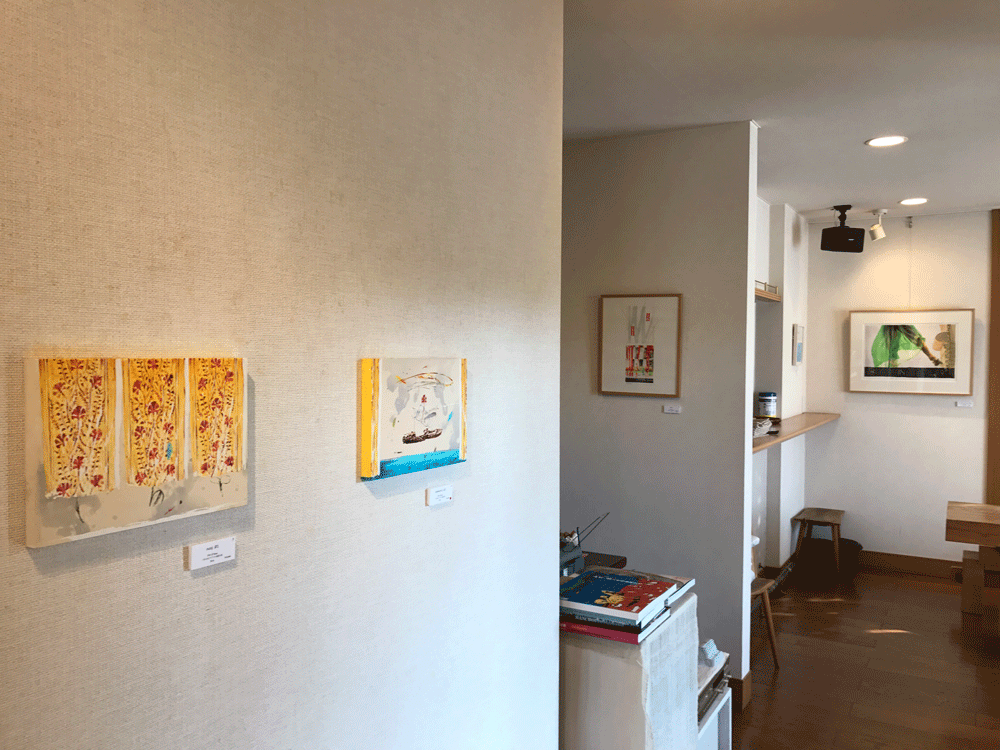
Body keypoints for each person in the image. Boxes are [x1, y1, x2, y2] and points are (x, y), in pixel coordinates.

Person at [871, 325, 942, 368]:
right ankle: (893, 367)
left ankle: (932, 357)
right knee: (892, 344)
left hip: (901, 319)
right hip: (891, 321)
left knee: (917, 338)